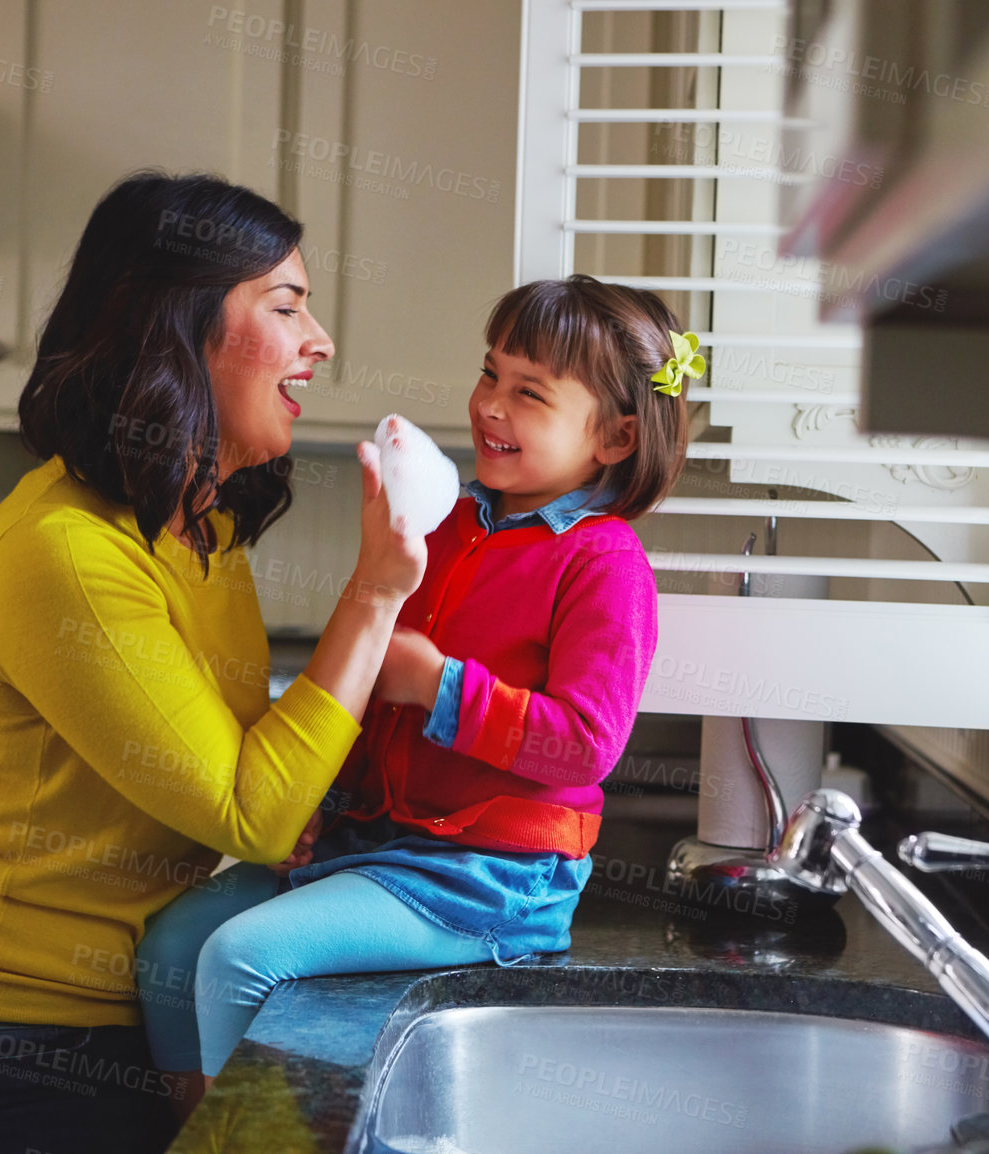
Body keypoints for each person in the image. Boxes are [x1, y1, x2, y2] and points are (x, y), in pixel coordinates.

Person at [0, 171, 427, 1154]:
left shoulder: (200, 526)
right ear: (178, 331)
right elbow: (249, 807)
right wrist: (375, 591)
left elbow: (235, 755)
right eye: (285, 306)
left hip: (111, 1025)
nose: (318, 340)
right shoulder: (68, 550)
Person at [134, 274, 691, 1092]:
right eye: (489, 373)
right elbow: (361, 697)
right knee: (170, 950)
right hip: (376, 843)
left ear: (615, 438)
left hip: (490, 876)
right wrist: (314, 806)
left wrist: (441, 688)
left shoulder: (604, 563)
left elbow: (585, 746)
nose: (491, 405)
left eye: (529, 392)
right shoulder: (443, 523)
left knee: (239, 957)